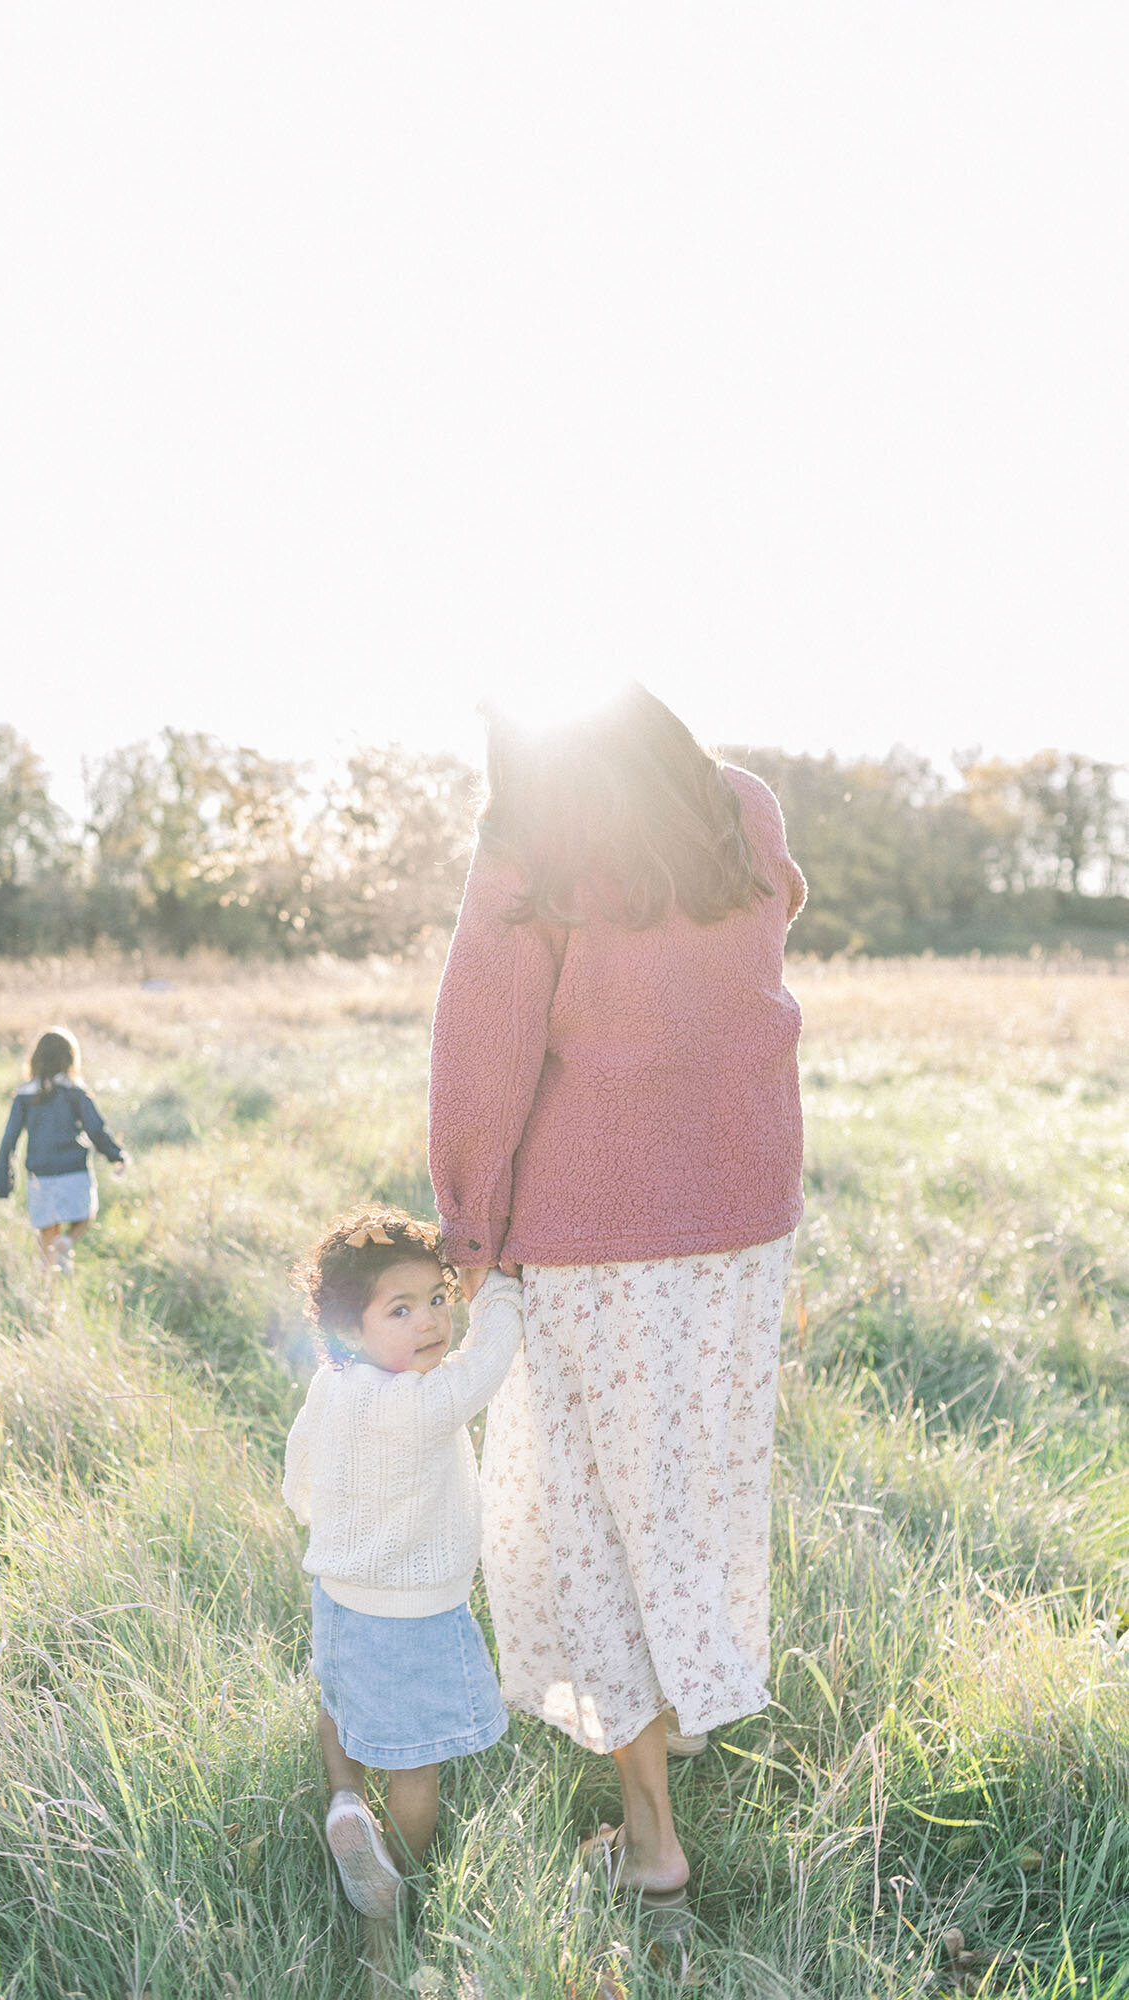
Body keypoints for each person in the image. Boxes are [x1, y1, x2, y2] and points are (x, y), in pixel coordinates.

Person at [428, 681, 807, 1928]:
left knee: (585, 1519)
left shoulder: (529, 843)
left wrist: (468, 1226)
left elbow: (484, 1045)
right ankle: (689, 1707)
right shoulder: (737, 806)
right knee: (696, 1483)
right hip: (744, 1220)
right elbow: (773, 927)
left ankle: (652, 1843)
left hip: (596, 1231)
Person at [282, 1208, 523, 1929]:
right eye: (401, 1309)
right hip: (415, 1612)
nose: (430, 1322)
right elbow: (487, 1365)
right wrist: (500, 1293)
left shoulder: (332, 1386)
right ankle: (400, 1875)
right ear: (352, 1331)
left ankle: (344, 1798)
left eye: (439, 1299)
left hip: (338, 1591)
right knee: (415, 1763)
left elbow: (301, 1469)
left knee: (340, 1700)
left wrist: (315, 1517)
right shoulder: (420, 1402)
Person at [0, 1027, 128, 1271]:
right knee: (86, 1215)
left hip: (41, 1175)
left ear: (36, 1058)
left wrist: (4, 1183)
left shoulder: (24, 1094)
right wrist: (115, 1155)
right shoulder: (75, 1091)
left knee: (46, 1230)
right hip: (73, 1170)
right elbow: (96, 1129)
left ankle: (50, 1287)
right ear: (70, 1057)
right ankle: (68, 1243)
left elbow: (8, 1142)